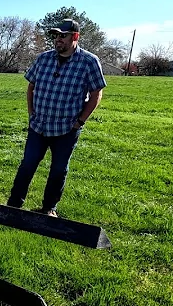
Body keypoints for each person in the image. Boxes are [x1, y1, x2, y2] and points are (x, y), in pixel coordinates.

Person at [6, 19, 107, 217]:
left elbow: (96, 94)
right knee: (27, 164)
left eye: (63, 35)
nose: (57, 39)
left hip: (66, 129)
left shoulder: (89, 62)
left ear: (75, 37)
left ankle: (48, 208)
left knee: (59, 169)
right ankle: (12, 206)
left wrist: (79, 122)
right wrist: (31, 113)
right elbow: (31, 86)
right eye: (55, 35)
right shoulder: (43, 59)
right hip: (38, 126)